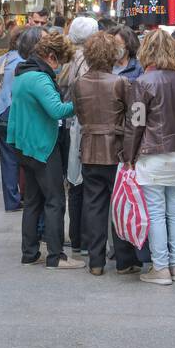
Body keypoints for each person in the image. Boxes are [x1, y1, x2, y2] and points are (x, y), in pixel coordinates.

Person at [8, 31, 85, 269]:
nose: (60, 66)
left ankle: (29, 253)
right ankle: (55, 256)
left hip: (25, 145)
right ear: (51, 56)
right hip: (43, 145)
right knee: (55, 201)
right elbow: (57, 111)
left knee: (32, 200)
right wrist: (83, 103)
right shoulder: (39, 78)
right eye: (60, 60)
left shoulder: (22, 73)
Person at [128, 29, 175, 285]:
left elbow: (136, 123)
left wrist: (129, 155)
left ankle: (160, 268)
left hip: (152, 154)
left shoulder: (142, 83)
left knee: (156, 213)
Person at [71, 31, 134, 275]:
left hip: (88, 149)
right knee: (119, 207)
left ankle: (96, 262)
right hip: (116, 151)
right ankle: (123, 260)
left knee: (93, 206)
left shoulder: (79, 83)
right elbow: (132, 118)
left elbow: (78, 113)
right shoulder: (120, 83)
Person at [59, 16, 101, 254]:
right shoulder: (89, 60)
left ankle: (77, 237)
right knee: (83, 181)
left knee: (74, 181)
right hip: (81, 123)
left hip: (68, 122)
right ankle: (84, 237)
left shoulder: (66, 58)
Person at [0, 26, 32, 211]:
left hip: (0, 116)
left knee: (7, 161)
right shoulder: (25, 63)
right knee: (27, 160)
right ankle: (28, 198)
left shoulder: (2, 60)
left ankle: (11, 202)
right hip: (19, 116)